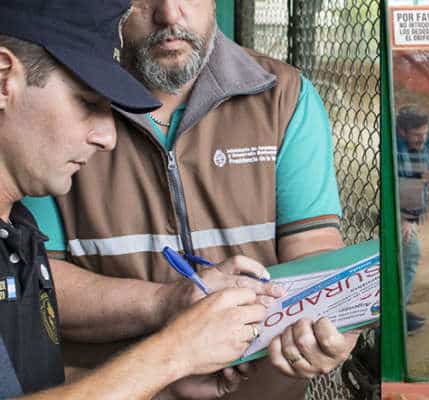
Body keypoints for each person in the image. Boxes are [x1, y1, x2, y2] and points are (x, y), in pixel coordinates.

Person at [25, 0, 360, 398]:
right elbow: (40, 285)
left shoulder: (284, 96)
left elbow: (314, 250)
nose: (169, 13)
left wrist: (329, 324)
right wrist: (167, 304)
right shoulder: (55, 103)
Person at [0, 1, 276, 398]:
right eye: (88, 103)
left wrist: (161, 383)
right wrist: (174, 353)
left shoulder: (19, 231)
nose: (107, 137)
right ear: (5, 78)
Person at [395, 106, 429, 333]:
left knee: (404, 259)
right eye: (417, 135)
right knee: (409, 258)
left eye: (425, 134)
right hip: (401, 216)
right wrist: (404, 218)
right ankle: (397, 316)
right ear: (401, 132)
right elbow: (394, 187)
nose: (422, 139)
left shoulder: (423, 146)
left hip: (413, 215)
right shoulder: (396, 151)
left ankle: (398, 309)